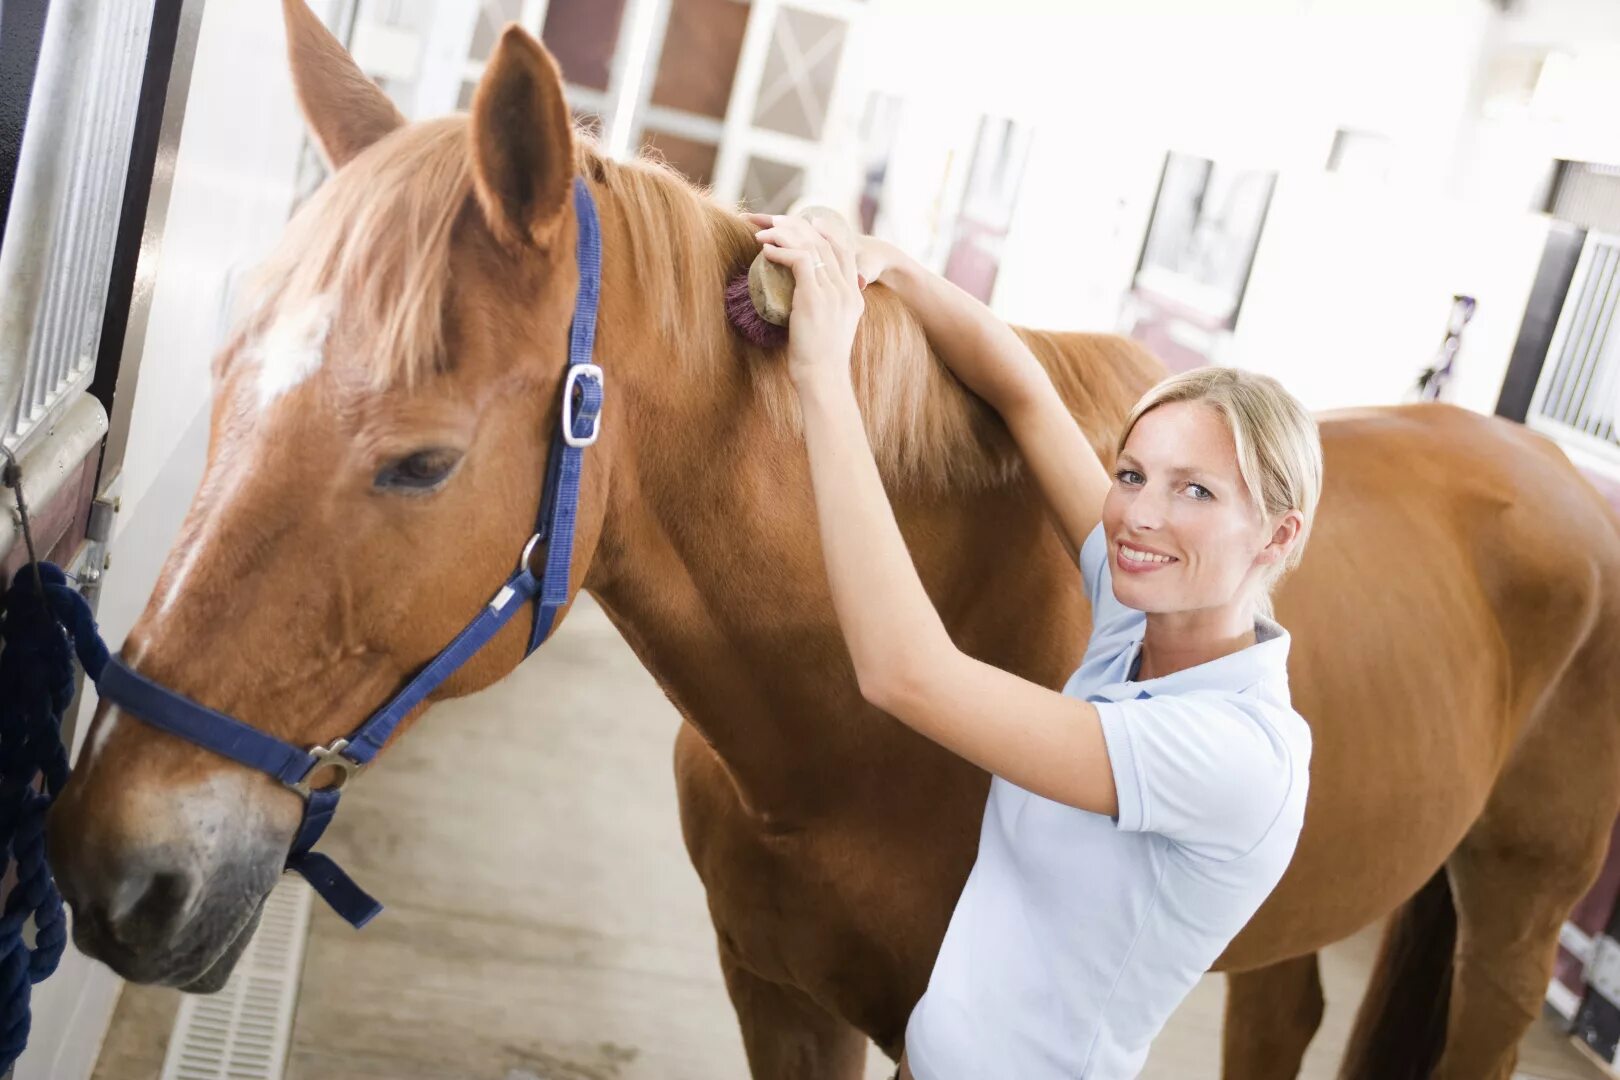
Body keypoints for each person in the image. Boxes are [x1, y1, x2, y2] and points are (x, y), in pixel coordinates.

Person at [745, 211, 1323, 1079]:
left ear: (1276, 539)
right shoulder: (1139, 620)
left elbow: (906, 673)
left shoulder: (1237, 753)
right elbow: (1020, 392)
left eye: (1194, 491)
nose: (1138, 514)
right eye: (1132, 475)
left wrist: (823, 373)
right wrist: (890, 266)